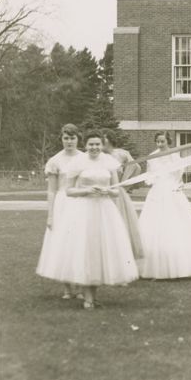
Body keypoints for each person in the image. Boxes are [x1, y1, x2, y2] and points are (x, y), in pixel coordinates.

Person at [42, 131, 139, 309]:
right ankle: (87, 298)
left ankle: (92, 296)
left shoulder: (110, 163)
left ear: (102, 145)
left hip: (104, 210)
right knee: (85, 250)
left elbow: (117, 190)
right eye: (91, 144)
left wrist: (107, 191)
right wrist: (86, 191)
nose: (94, 148)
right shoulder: (77, 163)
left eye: (97, 144)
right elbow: (69, 191)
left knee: (100, 250)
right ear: (85, 146)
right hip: (83, 210)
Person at [137, 131, 191, 279]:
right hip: (157, 191)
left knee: (176, 223)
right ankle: (154, 266)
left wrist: (176, 184)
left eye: (162, 141)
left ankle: (182, 265)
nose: (160, 144)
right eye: (158, 141)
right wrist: (152, 181)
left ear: (168, 141)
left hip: (171, 189)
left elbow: (179, 173)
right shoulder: (153, 156)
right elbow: (150, 174)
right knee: (155, 224)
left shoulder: (175, 155)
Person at [35, 123, 86, 299]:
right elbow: (52, 190)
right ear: (61, 139)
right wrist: (50, 215)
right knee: (63, 244)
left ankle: (80, 287)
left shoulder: (85, 158)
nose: (69, 141)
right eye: (66, 138)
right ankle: (67, 288)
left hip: (81, 202)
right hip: (63, 204)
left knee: (80, 244)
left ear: (78, 138)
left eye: (72, 138)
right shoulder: (55, 161)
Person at [100, 130, 144, 262]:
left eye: (104, 140)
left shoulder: (122, 154)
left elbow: (136, 167)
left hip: (118, 193)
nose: (102, 143)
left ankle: (122, 254)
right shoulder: (99, 155)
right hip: (102, 191)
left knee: (121, 223)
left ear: (110, 140)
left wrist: (124, 184)